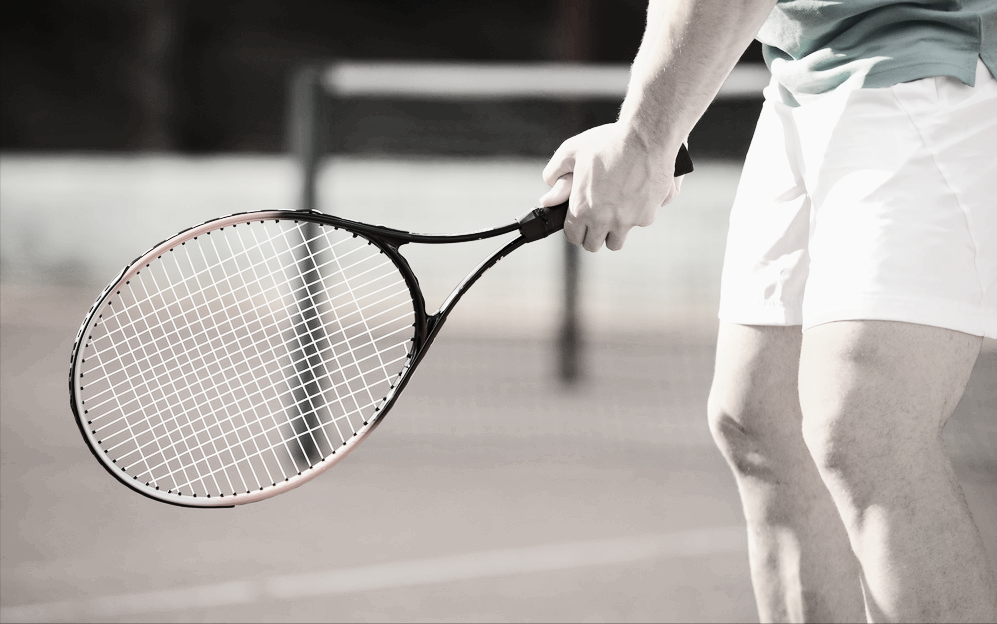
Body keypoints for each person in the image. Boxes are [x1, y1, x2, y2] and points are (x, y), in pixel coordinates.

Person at [539, 1, 997, 621]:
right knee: (760, 418)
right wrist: (656, 127)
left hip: (935, 59)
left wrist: (647, 138)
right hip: (803, 68)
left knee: (867, 423)